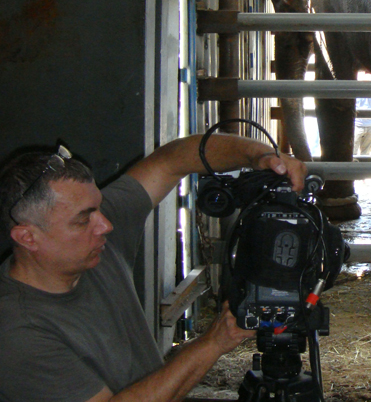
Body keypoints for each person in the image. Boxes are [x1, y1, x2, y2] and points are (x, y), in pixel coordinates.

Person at [0, 134, 307, 402]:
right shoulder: (17, 333)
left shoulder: (94, 241)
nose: (106, 224)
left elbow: (173, 159)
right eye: (83, 220)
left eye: (98, 208)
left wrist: (260, 156)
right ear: (27, 237)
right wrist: (214, 342)